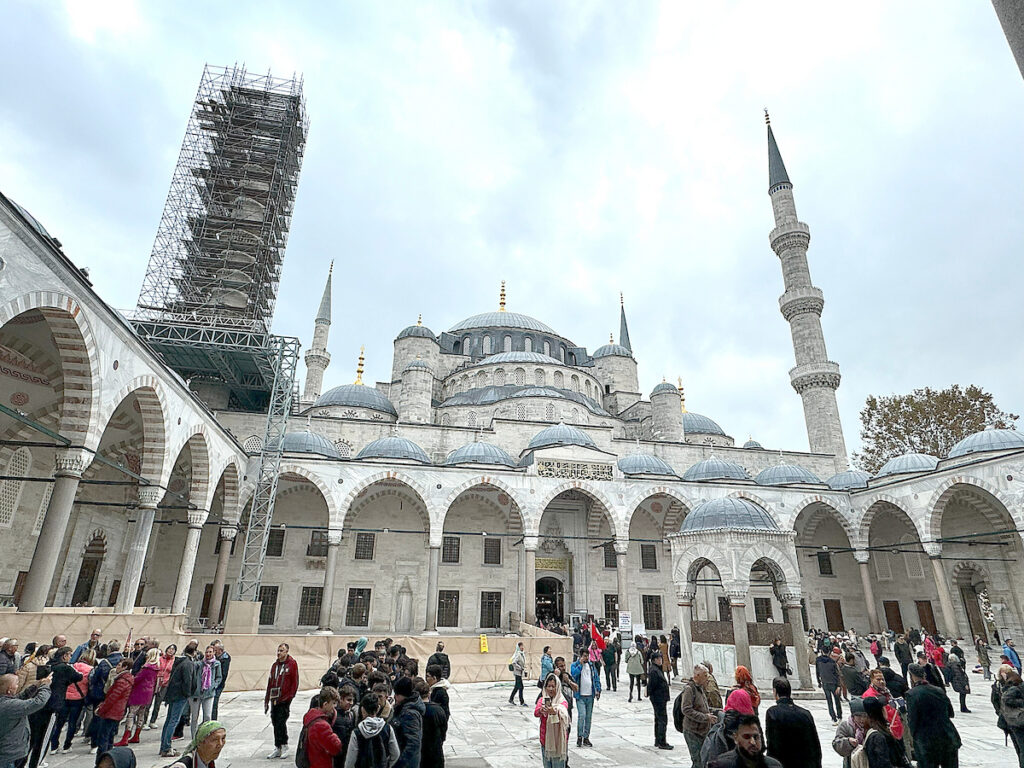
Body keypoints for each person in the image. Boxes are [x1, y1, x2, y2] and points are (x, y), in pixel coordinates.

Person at [906, 663, 960, 768]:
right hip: (948, 736)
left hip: (927, 741)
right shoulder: (938, 690)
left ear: (911, 675)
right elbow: (950, 713)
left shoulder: (911, 694)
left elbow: (913, 721)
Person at [765, 676, 821, 768]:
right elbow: (815, 745)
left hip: (784, 763)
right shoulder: (805, 713)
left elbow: (772, 744)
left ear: (775, 691)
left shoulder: (773, 713)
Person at [0, 672, 51, 768]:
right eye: (17, 684)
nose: (18, 686)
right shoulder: (9, 706)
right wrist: (45, 686)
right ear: (10, 689)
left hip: (11, 752)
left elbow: (20, 697)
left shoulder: (5, 701)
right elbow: (38, 702)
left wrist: (37, 685)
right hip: (9, 754)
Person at [49, 647, 92, 753]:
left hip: (65, 696)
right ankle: (67, 746)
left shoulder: (71, 666)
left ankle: (54, 746)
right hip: (77, 698)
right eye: (70, 655)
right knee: (73, 722)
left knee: (59, 722)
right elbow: (79, 678)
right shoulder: (88, 669)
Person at [160, 644, 197, 758]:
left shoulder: (180, 661)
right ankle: (166, 747)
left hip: (173, 694)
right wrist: (188, 694)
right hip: (180, 695)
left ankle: (164, 746)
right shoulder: (188, 663)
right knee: (173, 721)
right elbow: (188, 680)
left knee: (169, 720)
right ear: (194, 652)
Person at [344, 693, 399, 768]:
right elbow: (396, 754)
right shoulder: (388, 728)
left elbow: (350, 761)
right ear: (378, 708)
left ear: (362, 709)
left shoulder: (357, 732)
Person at [707, 714, 783, 768]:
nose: (753, 742)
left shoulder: (774, 765)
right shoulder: (721, 764)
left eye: (756, 737)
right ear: (735, 738)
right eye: (747, 737)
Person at [265, 642, 299, 760]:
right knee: (274, 722)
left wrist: (290, 696)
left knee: (281, 721)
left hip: (284, 699)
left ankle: (284, 745)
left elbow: (295, 681)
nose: (279, 653)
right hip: (274, 699)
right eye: (278, 650)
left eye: (281, 651)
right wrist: (266, 700)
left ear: (287, 652)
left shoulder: (292, 664)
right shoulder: (275, 665)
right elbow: (270, 682)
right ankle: (277, 746)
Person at [678, 663, 717, 765]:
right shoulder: (689, 689)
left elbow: (702, 707)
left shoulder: (700, 688)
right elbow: (686, 710)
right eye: (705, 676)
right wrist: (705, 717)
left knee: (704, 760)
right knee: (698, 761)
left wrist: (715, 711)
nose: (707, 678)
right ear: (698, 676)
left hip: (702, 731)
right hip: (693, 731)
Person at [94, 660, 133, 756]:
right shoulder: (125, 679)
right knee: (110, 736)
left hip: (112, 712)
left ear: (125, 667)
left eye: (119, 665)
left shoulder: (122, 681)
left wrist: (101, 709)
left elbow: (112, 698)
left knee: (104, 737)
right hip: (117, 711)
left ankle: (102, 759)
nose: (117, 667)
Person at [534, 673, 569, 768]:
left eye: (553, 686)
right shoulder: (542, 700)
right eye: (548, 686)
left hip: (558, 742)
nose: (550, 689)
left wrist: (555, 711)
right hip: (545, 740)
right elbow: (536, 713)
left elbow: (564, 712)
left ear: (557, 687)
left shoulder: (561, 701)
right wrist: (542, 710)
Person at [303, 686, 343, 768]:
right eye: (333, 703)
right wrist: (335, 735)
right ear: (325, 704)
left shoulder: (311, 717)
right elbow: (336, 747)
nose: (335, 707)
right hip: (322, 763)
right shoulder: (322, 726)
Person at [188, 646, 222, 740]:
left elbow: (219, 677)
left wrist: (213, 686)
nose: (208, 654)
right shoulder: (199, 664)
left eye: (210, 652)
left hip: (209, 693)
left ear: (214, 653)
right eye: (207, 652)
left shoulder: (216, 664)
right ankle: (194, 737)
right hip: (196, 694)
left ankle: (206, 735)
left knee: (207, 716)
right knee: (194, 717)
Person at [390, 676, 423, 768]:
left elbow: (413, 742)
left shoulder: (409, 714)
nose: (395, 697)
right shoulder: (404, 708)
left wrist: (400, 763)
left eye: (396, 694)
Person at [569, 648, 600, 748]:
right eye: (585, 656)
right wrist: (580, 665)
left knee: (588, 717)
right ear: (581, 656)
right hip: (580, 696)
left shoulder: (591, 666)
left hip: (590, 695)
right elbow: (573, 675)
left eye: (588, 656)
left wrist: (598, 689)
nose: (587, 658)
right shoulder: (575, 665)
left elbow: (596, 678)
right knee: (582, 715)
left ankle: (586, 737)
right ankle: (579, 736)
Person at [994, 664, 1024, 766]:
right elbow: (998, 701)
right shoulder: (1002, 686)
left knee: (1020, 748)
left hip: (1012, 720)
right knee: (1020, 748)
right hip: (1014, 721)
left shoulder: (1013, 687)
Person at [862, 669, 903, 741]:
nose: (881, 681)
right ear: (872, 680)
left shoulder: (886, 691)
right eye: (878, 679)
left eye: (882, 679)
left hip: (895, 724)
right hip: (886, 727)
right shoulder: (869, 695)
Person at [416, 678, 447, 768]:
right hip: (435, 752)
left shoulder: (414, 711)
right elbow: (443, 729)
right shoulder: (438, 710)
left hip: (420, 752)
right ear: (429, 693)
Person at [646, 650, 672, 750]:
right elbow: (651, 685)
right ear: (654, 660)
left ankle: (658, 740)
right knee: (662, 720)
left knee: (658, 719)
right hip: (658, 698)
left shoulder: (657, 669)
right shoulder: (654, 671)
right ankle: (662, 742)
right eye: (658, 659)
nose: (660, 660)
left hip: (660, 698)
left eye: (661, 658)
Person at [831, 697, 867, 768]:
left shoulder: (870, 725)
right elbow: (836, 744)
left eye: (864, 716)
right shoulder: (845, 726)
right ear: (853, 716)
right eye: (858, 716)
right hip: (851, 763)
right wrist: (848, 742)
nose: (862, 719)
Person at [149, 644, 177, 729]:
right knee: (148, 702)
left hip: (165, 684)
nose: (170, 650)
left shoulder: (174, 661)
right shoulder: (160, 658)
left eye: (173, 649)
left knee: (158, 703)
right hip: (155, 682)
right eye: (169, 648)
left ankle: (152, 721)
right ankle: (143, 720)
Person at [210, 641, 230, 720]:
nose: (214, 651)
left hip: (218, 684)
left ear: (220, 650)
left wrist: (217, 684)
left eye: (215, 650)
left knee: (214, 702)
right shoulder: (215, 657)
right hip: (212, 682)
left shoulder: (224, 659)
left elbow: (223, 674)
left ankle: (213, 720)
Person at [625, 638, 644, 702]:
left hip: (631, 668)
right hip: (638, 668)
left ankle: (630, 695)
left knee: (631, 682)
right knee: (638, 682)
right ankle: (639, 696)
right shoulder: (638, 652)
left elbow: (626, 660)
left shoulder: (628, 651)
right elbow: (642, 661)